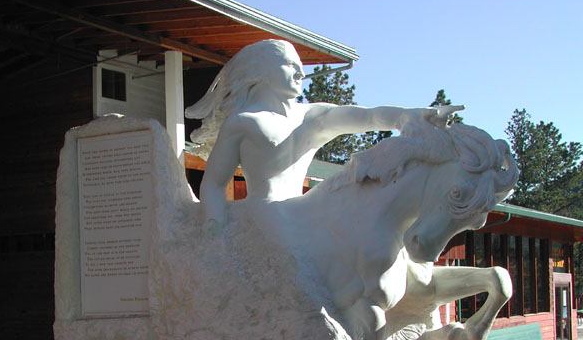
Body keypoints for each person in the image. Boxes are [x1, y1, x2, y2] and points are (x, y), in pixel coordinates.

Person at [186, 39, 459, 226]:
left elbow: (369, 115)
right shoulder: (243, 122)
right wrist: (215, 228)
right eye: (290, 66)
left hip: (303, 213)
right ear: (262, 71)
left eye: (300, 67)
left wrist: (407, 115)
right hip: (264, 218)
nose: (300, 73)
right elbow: (212, 184)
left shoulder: (312, 115)